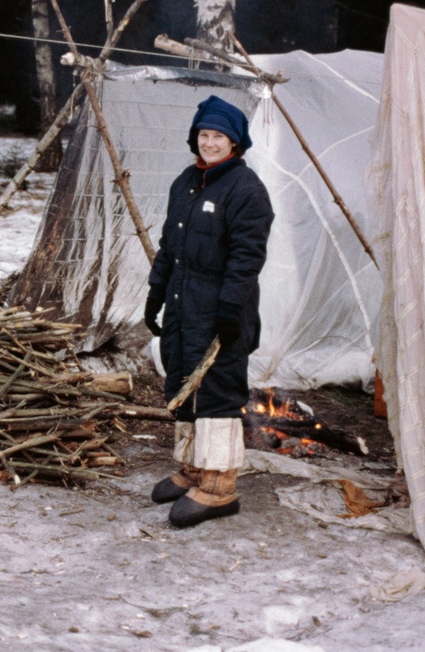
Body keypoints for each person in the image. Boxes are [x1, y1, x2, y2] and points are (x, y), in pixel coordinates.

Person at [144, 94, 274, 527]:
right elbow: (169, 246)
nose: (210, 143)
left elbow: (247, 258)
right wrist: (155, 292)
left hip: (221, 309)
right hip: (184, 304)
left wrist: (230, 309)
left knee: (215, 390)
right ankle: (193, 469)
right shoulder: (185, 181)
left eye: (219, 136)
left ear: (235, 142)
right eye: (204, 134)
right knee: (182, 379)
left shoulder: (246, 190)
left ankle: (220, 487)